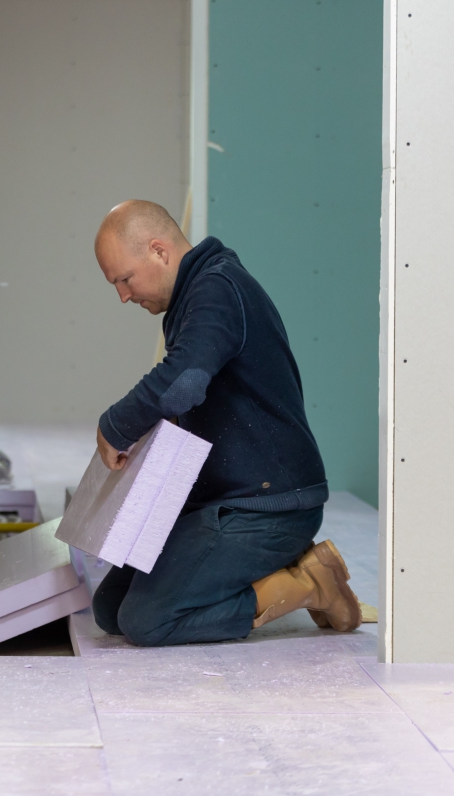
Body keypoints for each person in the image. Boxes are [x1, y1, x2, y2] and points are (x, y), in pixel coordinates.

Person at [90, 200, 359, 647]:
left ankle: (308, 584)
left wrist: (116, 425)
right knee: (109, 609)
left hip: (268, 509)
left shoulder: (217, 288)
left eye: (124, 279)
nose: (123, 295)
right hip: (223, 502)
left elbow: (184, 381)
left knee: (146, 621)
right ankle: (263, 575)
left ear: (159, 251)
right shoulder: (192, 297)